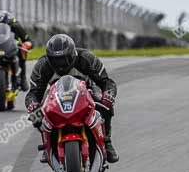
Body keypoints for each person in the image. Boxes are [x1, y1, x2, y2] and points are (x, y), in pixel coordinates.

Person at [25, 34, 119, 163]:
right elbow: (33, 93)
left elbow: (107, 82)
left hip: (87, 91)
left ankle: (107, 141)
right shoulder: (43, 65)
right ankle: (48, 144)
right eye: (55, 60)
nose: (60, 64)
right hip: (55, 94)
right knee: (36, 115)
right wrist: (33, 105)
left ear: (72, 54)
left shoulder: (86, 58)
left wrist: (108, 95)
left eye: (64, 59)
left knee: (105, 103)